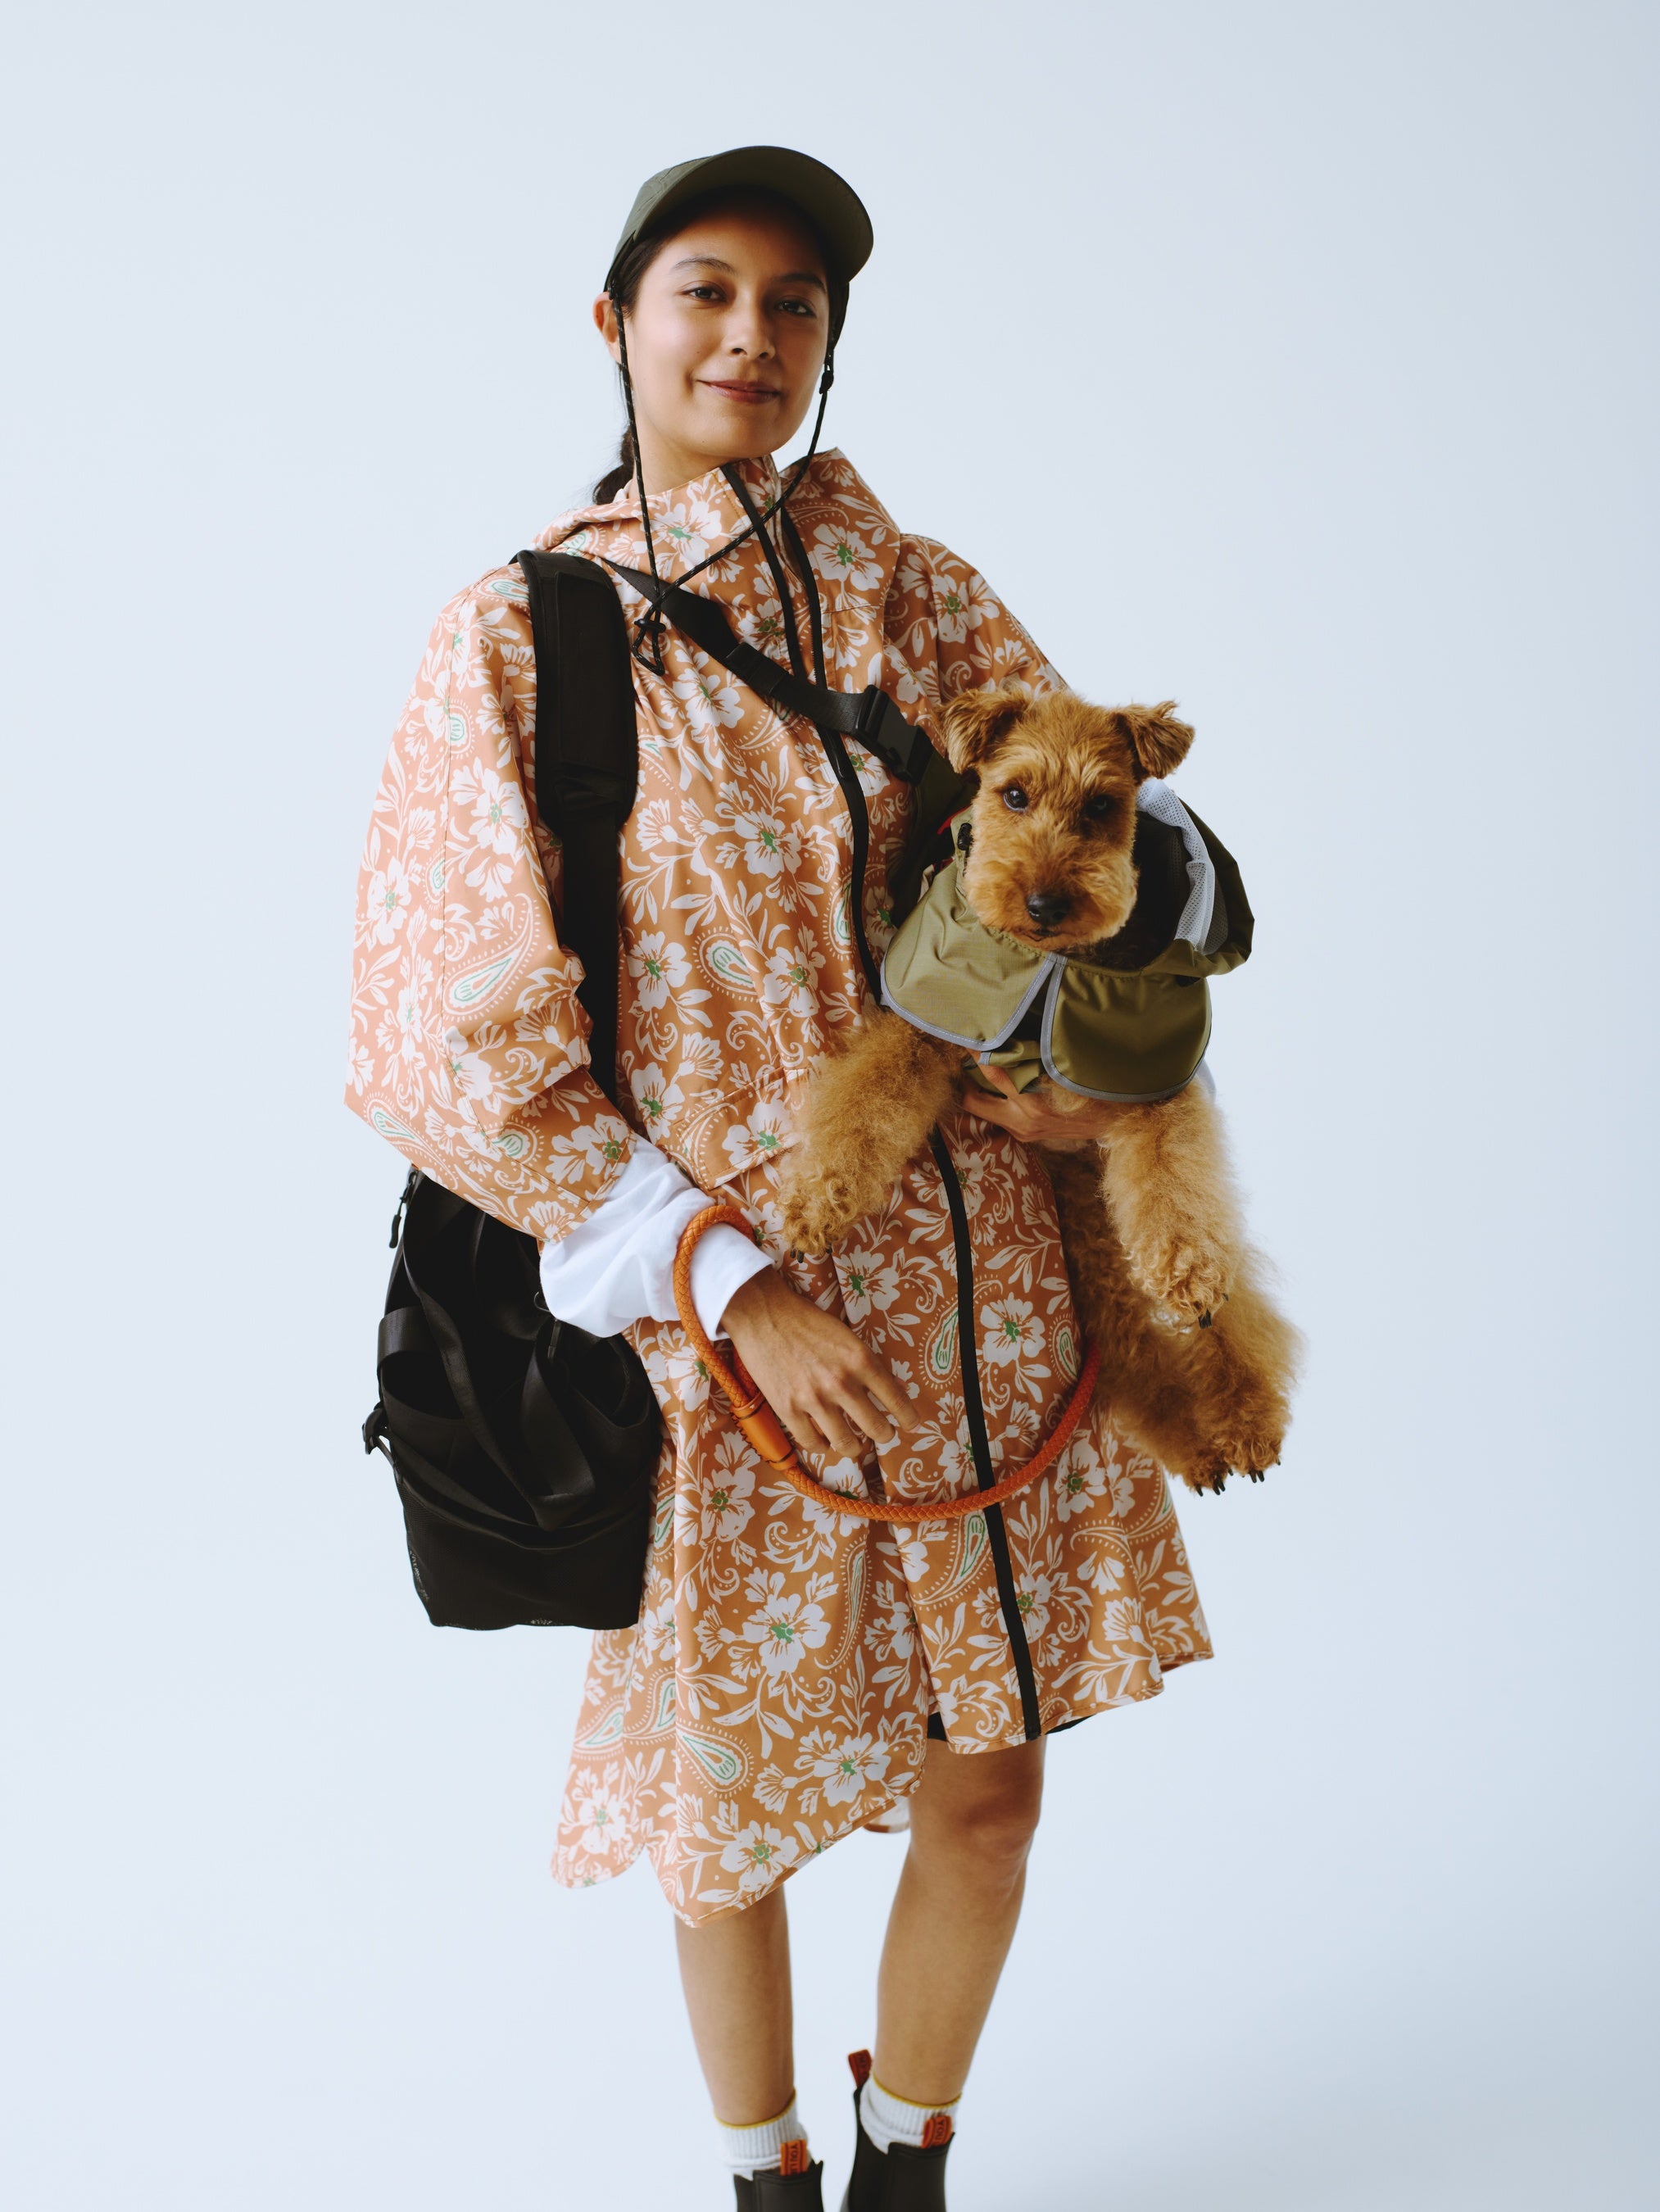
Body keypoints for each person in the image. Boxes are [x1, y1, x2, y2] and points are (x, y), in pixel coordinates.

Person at [347, 146, 1215, 2211]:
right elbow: (435, 1024)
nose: (752, 336)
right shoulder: (524, 636)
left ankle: (905, 2172)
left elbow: (1134, 841)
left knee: (987, 1789)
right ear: (617, 323)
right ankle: (764, 2187)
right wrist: (728, 1280)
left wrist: (1089, 1080)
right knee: (720, 1819)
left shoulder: (918, 593)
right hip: (729, 1327)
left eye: (795, 303)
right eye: (706, 291)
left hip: (991, 1302)